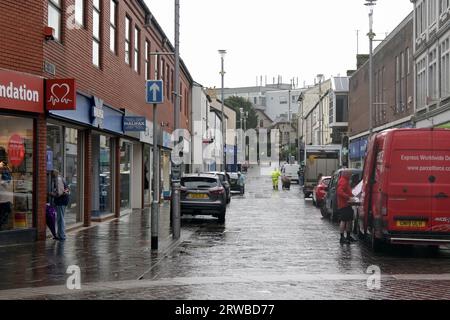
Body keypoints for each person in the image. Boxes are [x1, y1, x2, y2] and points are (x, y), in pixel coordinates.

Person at [336, 171, 356, 244]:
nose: (351, 175)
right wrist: (348, 197)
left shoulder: (345, 181)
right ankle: (342, 237)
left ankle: (348, 236)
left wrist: (352, 196)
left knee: (349, 220)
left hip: (347, 204)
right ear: (346, 174)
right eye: (350, 174)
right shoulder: (343, 181)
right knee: (344, 220)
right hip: (344, 204)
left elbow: (347, 191)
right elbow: (339, 191)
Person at [49, 170, 70, 241]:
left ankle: (62, 236)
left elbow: (59, 193)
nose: (51, 176)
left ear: (54, 174)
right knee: (60, 218)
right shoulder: (61, 178)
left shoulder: (58, 180)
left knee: (60, 219)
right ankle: (60, 234)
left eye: (51, 174)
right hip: (63, 201)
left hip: (61, 201)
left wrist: (51, 194)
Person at [0, 159, 13, 230]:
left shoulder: (5, 173)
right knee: (5, 212)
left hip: (4, 198)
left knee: (5, 211)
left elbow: (7, 185)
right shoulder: (6, 173)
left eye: (1, 165)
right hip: (5, 198)